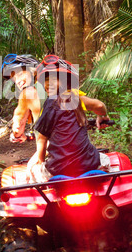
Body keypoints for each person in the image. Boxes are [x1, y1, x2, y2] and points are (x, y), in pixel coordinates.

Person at [26, 55, 111, 183]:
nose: (48, 84)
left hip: (58, 170)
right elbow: (99, 105)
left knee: (32, 171)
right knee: (106, 159)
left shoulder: (49, 104)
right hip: (89, 165)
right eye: (46, 81)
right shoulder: (76, 97)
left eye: (54, 79)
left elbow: (42, 139)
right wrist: (102, 116)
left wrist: (40, 162)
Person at [2, 53, 110, 144]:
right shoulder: (65, 90)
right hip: (81, 154)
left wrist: (16, 135)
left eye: (20, 74)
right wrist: (102, 116)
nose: (18, 81)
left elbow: (18, 127)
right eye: (14, 78)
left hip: (52, 158)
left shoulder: (26, 95)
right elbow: (99, 106)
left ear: (34, 71)